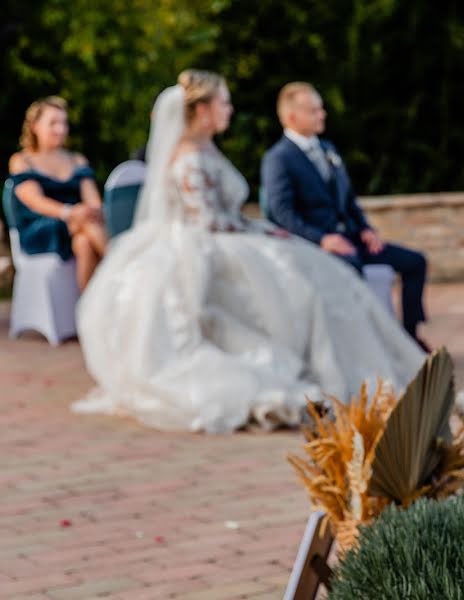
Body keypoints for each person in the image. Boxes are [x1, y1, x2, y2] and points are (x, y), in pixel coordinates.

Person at [74, 70, 425, 433]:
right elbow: (208, 221)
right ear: (203, 110)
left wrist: (262, 229)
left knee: (316, 278)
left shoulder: (206, 148)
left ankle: (344, 364)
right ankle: (314, 371)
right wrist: (259, 231)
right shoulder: (190, 158)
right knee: (298, 287)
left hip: (228, 235)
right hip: (204, 248)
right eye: (224, 103)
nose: (230, 110)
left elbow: (226, 216)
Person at [261, 82, 430, 349]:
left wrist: (366, 229)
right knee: (353, 270)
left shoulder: (328, 149)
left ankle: (409, 336)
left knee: (416, 262)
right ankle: (367, 346)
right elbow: (282, 214)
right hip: (318, 247)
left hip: (353, 237)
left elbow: (349, 199)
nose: (322, 114)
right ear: (292, 117)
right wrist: (322, 240)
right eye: (314, 110)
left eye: (321, 108)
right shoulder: (278, 159)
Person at [8, 97, 107, 290]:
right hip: (41, 229)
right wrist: (70, 212)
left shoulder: (76, 160)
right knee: (85, 223)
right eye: (53, 123)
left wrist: (90, 210)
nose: (61, 129)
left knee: (84, 243)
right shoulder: (22, 160)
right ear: (35, 126)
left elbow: (92, 199)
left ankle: (86, 313)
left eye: (64, 123)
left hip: (79, 226)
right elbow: (34, 201)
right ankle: (120, 262)